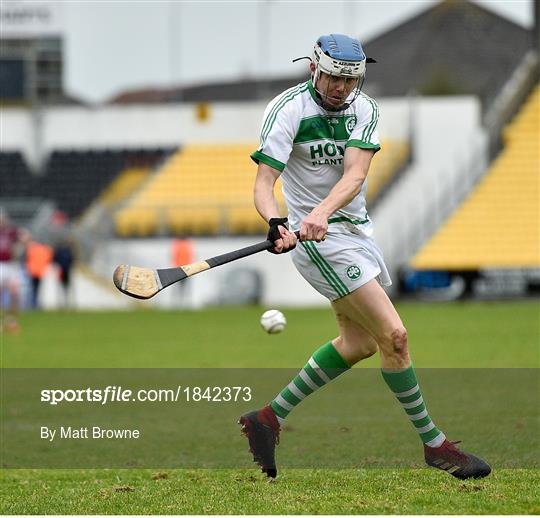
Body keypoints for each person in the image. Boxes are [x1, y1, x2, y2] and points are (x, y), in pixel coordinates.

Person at [239, 34, 491, 480]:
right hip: (320, 244)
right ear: (314, 69)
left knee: (360, 345)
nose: (340, 87)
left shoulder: (365, 108)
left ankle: (268, 418)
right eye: (334, 76)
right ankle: (435, 445)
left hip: (353, 233)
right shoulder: (288, 109)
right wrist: (276, 221)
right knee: (395, 336)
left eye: (350, 79)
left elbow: (355, 175)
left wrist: (322, 211)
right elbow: (264, 182)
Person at [0, 208, 24, 333]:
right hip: (0, 265)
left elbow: (24, 239)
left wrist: (19, 248)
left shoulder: (12, 232)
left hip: (11, 265)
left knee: (14, 293)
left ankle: (12, 320)